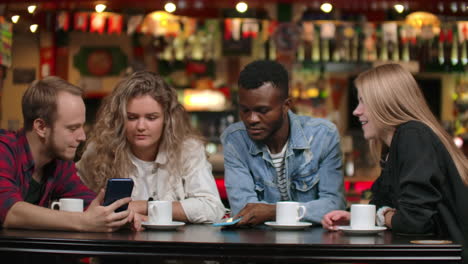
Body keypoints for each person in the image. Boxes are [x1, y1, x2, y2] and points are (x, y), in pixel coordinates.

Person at [321, 64, 468, 261]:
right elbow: (381, 203)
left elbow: (414, 221)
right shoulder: (395, 147)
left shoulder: (413, 136)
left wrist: (383, 216)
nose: (356, 111)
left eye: (363, 102)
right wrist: (354, 217)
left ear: (385, 103)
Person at [77, 71, 225, 228]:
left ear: (167, 119)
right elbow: (73, 198)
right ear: (119, 119)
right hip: (117, 247)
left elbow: (212, 208)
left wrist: (144, 207)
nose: (141, 127)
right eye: (132, 117)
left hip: (175, 247)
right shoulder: (100, 149)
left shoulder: (188, 149)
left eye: (151, 118)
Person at [221, 60, 346, 226]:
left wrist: (273, 212)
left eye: (262, 110)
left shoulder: (323, 136)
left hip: (313, 245)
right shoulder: (235, 140)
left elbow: (333, 205)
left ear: (286, 105)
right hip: (259, 244)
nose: (252, 119)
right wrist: (303, 212)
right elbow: (244, 210)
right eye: (245, 110)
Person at [0, 76, 133, 232]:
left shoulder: (59, 162)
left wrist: (122, 215)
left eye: (81, 126)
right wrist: (83, 222)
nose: (82, 137)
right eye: (72, 128)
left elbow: (88, 202)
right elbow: (10, 211)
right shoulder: (4, 149)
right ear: (41, 127)